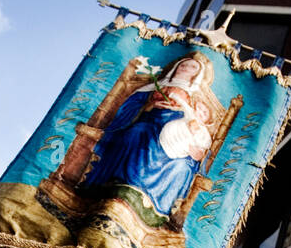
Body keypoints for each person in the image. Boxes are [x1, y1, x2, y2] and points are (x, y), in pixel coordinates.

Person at [84, 53, 217, 220]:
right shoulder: (151, 87)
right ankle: (119, 186)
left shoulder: (194, 99)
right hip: (148, 122)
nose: (186, 69)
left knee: (176, 159)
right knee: (137, 133)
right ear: (176, 67)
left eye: (193, 68)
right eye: (184, 65)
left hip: (174, 137)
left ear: (197, 75)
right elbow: (130, 107)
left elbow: (197, 127)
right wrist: (151, 105)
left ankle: (148, 207)